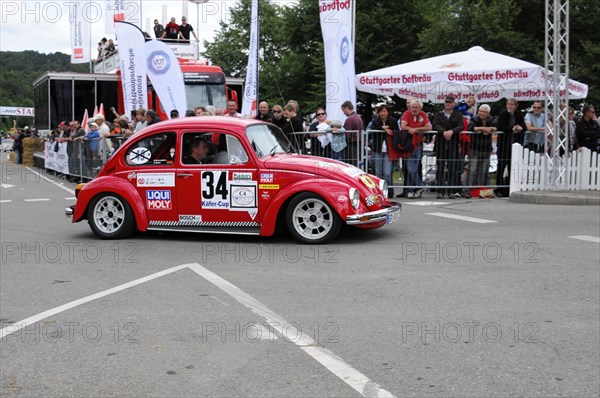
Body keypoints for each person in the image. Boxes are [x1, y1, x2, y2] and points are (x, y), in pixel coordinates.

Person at [432, 95, 465, 199]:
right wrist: (444, 132)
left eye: (450, 102)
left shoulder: (458, 115)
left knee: (452, 169)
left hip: (453, 145)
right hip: (441, 144)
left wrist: (452, 132)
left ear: (453, 104)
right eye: (446, 102)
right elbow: (435, 125)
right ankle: (440, 190)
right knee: (440, 168)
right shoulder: (439, 114)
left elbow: (461, 126)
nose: (448, 104)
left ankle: (451, 190)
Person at [495, 98, 526, 197]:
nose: (510, 106)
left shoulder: (519, 115)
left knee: (512, 167)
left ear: (516, 106)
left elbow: (524, 126)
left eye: (512, 104)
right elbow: (500, 126)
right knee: (501, 167)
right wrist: (512, 128)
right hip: (504, 145)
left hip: (515, 144)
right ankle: (499, 188)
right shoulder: (503, 114)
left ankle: (509, 187)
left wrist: (521, 128)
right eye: (508, 104)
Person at [401, 99, 431, 198]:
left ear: (420, 108)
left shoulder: (423, 114)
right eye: (412, 107)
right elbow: (403, 126)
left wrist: (416, 129)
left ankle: (412, 190)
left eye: (416, 107)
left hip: (418, 144)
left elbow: (428, 127)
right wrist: (410, 129)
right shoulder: (406, 113)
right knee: (410, 168)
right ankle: (419, 186)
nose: (414, 109)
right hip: (408, 144)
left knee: (414, 167)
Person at [369, 104, 399, 197]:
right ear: (378, 113)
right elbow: (372, 133)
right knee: (378, 172)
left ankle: (389, 191)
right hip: (377, 149)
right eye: (381, 111)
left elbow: (397, 132)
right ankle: (378, 191)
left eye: (384, 111)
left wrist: (388, 130)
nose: (382, 113)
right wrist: (382, 128)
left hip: (389, 149)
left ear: (388, 112)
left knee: (387, 172)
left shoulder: (393, 121)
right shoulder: (375, 122)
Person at [468, 104, 497, 194]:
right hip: (474, 148)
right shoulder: (474, 118)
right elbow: (471, 128)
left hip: (486, 149)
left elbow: (496, 127)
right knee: (472, 170)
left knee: (484, 171)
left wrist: (490, 129)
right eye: (480, 111)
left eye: (484, 112)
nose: (482, 113)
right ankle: (469, 190)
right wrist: (484, 128)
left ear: (488, 113)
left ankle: (482, 190)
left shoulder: (491, 119)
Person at [341, 100, 363, 165]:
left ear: (347, 108)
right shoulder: (358, 117)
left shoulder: (350, 119)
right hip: (358, 143)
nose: (343, 113)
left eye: (343, 110)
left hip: (351, 145)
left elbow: (346, 134)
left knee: (351, 165)